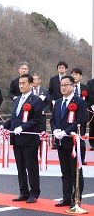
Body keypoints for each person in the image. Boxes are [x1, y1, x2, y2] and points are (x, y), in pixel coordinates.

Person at [2, 74, 43, 204]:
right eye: (20, 83)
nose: (21, 85)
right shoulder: (18, 99)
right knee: (20, 167)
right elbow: (14, 118)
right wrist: (5, 125)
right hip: (17, 138)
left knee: (31, 167)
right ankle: (23, 191)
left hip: (29, 139)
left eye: (24, 83)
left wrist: (23, 127)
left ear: (31, 84)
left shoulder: (36, 100)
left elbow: (37, 119)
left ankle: (34, 192)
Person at [50, 75, 87, 208]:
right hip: (61, 143)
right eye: (61, 85)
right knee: (65, 172)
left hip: (74, 143)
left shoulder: (80, 102)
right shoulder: (58, 102)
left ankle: (76, 198)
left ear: (73, 86)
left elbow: (80, 120)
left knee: (75, 173)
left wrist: (65, 132)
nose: (63, 87)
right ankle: (66, 197)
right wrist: (55, 131)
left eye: (66, 84)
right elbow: (53, 120)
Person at [71, 68, 92, 165]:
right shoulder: (69, 87)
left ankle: (82, 158)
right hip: (70, 115)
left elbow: (91, 100)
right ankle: (72, 156)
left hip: (82, 115)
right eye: (73, 75)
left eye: (76, 75)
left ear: (81, 76)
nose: (75, 76)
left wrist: (84, 106)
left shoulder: (85, 87)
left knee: (81, 137)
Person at [48, 61, 68, 149]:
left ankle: (65, 139)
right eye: (59, 68)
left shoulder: (69, 79)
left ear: (66, 69)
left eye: (62, 68)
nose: (61, 69)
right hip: (56, 104)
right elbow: (50, 92)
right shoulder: (53, 79)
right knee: (55, 121)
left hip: (66, 103)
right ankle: (55, 141)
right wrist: (52, 100)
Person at [86, 78, 94, 151]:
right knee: (92, 126)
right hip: (92, 108)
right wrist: (91, 106)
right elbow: (89, 95)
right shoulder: (90, 82)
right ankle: (92, 144)